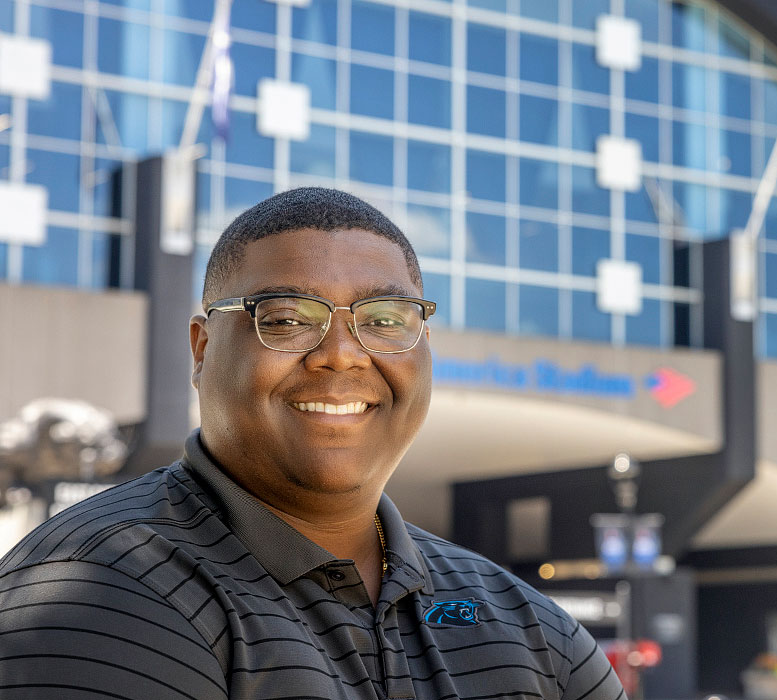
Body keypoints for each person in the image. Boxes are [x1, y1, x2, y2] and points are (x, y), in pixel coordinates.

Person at [0, 187, 625, 700]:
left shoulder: (531, 629)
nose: (341, 356)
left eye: (384, 320)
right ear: (201, 350)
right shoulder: (101, 586)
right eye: (287, 319)